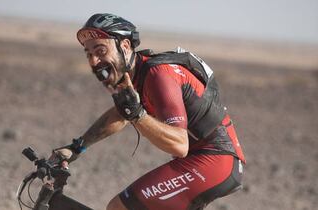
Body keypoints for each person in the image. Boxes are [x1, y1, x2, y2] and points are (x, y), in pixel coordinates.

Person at [52, 13, 246, 210]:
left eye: (100, 50)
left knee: (119, 207)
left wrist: (138, 115)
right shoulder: (134, 74)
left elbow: (179, 145)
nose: (94, 61)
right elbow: (120, 114)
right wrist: (77, 147)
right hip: (205, 161)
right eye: (88, 54)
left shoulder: (158, 75)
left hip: (214, 161)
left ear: (125, 46)